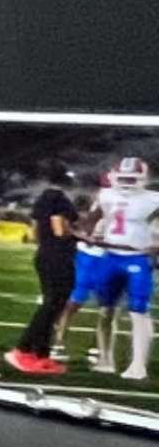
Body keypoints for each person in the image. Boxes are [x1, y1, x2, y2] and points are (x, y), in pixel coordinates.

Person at [63, 151, 158, 382]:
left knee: (138, 312)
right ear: (114, 176)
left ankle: (138, 364)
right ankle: (106, 359)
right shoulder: (105, 195)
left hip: (137, 257)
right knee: (105, 310)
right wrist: (84, 232)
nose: (126, 183)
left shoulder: (153, 199)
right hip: (109, 256)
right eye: (122, 178)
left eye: (131, 179)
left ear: (142, 179)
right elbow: (92, 218)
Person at [2, 174, 82, 377]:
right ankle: (23, 349)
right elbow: (59, 229)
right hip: (59, 257)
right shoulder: (61, 201)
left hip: (44, 254)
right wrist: (79, 236)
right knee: (52, 306)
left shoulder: (43, 199)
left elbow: (36, 231)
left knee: (51, 304)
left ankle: (40, 354)